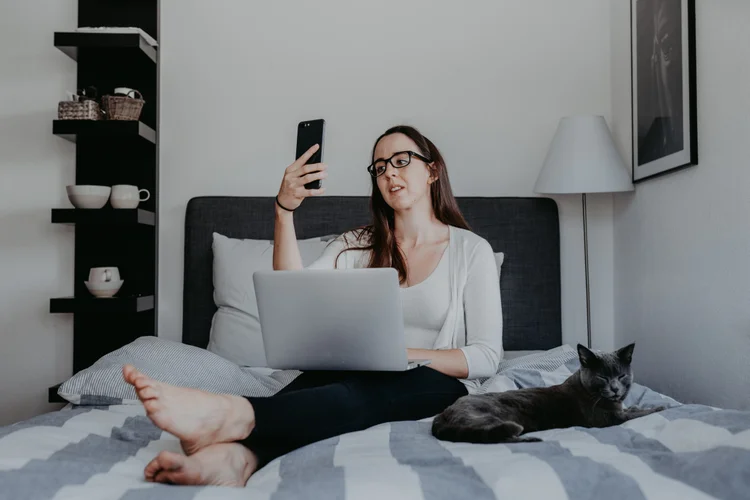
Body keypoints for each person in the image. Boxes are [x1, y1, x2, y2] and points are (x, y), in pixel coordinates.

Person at [122, 125, 503, 487]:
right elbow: (293, 291)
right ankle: (234, 461)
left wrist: (400, 355)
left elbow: (486, 356)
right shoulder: (356, 244)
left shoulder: (471, 250)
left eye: (402, 160)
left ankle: (231, 413)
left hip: (436, 381)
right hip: (358, 370)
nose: (389, 173)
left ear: (432, 170)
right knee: (306, 395)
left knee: (354, 397)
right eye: (380, 167)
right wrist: (283, 211)